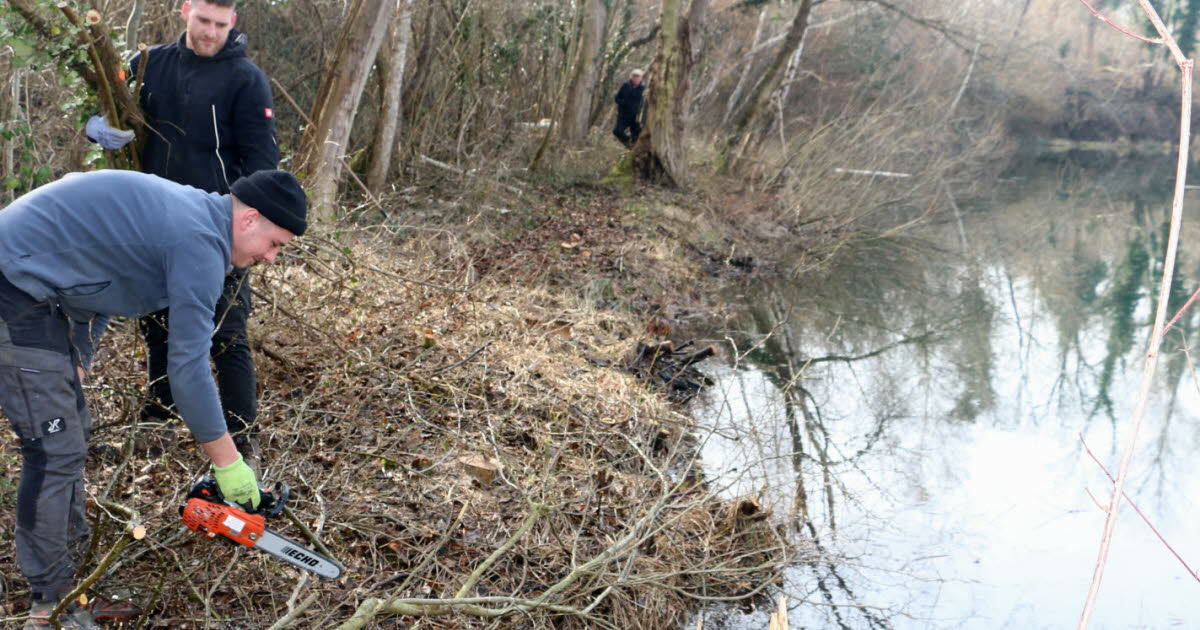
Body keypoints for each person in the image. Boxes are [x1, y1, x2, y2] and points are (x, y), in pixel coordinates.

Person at [0, 168, 306, 629]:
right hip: (12, 286)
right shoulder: (199, 242)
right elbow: (186, 370)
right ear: (250, 219)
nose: (271, 258)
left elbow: (100, 285)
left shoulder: (197, 222)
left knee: (71, 434)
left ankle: (74, 580)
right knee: (54, 448)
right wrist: (228, 462)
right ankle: (50, 603)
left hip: (38, 293)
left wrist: (76, 364)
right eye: (274, 243)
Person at [86, 0, 278, 464]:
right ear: (185, 11)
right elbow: (106, 109)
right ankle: (160, 416)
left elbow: (262, 165)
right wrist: (98, 130)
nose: (211, 33)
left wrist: (248, 231)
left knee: (227, 333)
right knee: (156, 323)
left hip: (219, 231)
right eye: (203, 21)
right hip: (150, 226)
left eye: (220, 24)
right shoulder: (146, 64)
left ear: (232, 22)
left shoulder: (246, 80)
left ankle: (241, 436)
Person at [612, 69, 645, 148]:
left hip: (636, 117)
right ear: (631, 77)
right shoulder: (625, 86)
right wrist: (624, 103)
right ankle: (628, 142)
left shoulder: (644, 89)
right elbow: (617, 99)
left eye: (638, 76)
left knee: (636, 136)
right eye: (634, 76)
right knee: (617, 131)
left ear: (641, 78)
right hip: (623, 115)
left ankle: (633, 148)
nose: (636, 78)